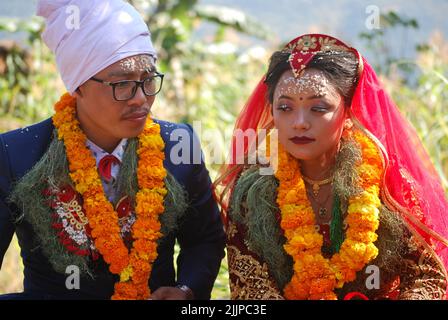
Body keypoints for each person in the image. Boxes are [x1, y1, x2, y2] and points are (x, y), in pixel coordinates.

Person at [0, 0, 225, 300]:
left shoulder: (177, 147)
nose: (140, 99)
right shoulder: (17, 153)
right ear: (77, 85)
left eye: (148, 80)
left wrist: (186, 290)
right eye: (122, 84)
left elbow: (205, 241)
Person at [214, 33, 448, 300]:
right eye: (285, 107)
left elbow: (426, 276)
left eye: (318, 108)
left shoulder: (386, 182)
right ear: (272, 110)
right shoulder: (253, 188)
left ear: (348, 111)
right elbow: (251, 287)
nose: (300, 122)